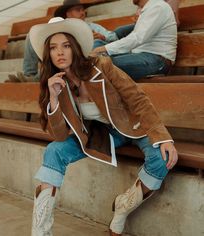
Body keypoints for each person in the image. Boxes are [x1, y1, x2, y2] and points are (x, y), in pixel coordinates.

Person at [29, 16, 178, 236]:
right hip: (102, 135)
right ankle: (41, 232)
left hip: (132, 126)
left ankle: (122, 209)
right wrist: (53, 98)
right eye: (53, 48)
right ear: (48, 53)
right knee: (53, 151)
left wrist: (163, 137)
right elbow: (59, 136)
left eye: (66, 45)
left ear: (75, 48)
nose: (60, 52)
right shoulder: (52, 83)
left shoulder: (101, 66)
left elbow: (137, 98)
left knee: (164, 158)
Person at [8, 0, 118, 82]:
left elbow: (114, 37)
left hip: (84, 57)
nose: (83, 12)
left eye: (83, 10)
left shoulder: (93, 26)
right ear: (68, 14)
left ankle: (33, 80)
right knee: (31, 36)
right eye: (78, 10)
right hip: (65, 58)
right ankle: (29, 76)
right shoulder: (60, 30)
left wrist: (103, 37)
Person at [91, 0, 178, 80]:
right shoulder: (149, 8)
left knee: (103, 65)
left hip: (157, 60)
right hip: (141, 55)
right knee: (98, 46)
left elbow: (137, 38)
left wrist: (105, 49)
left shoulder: (158, 7)